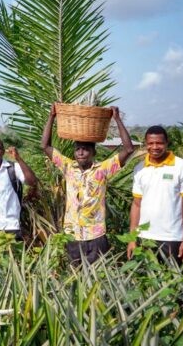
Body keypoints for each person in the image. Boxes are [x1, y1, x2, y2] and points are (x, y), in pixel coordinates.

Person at [41, 104, 134, 266]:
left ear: (93, 153)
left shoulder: (102, 170)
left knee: (98, 280)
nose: (81, 153)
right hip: (72, 235)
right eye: (78, 149)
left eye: (85, 149)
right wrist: (51, 117)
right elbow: (45, 146)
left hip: (96, 235)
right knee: (75, 279)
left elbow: (129, 149)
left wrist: (117, 119)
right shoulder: (68, 167)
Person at [127, 126, 183, 265]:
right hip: (144, 237)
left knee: (173, 281)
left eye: (159, 143)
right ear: (145, 144)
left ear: (167, 142)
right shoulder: (139, 169)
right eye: (151, 143)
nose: (155, 147)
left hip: (172, 238)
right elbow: (136, 204)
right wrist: (132, 238)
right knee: (144, 282)